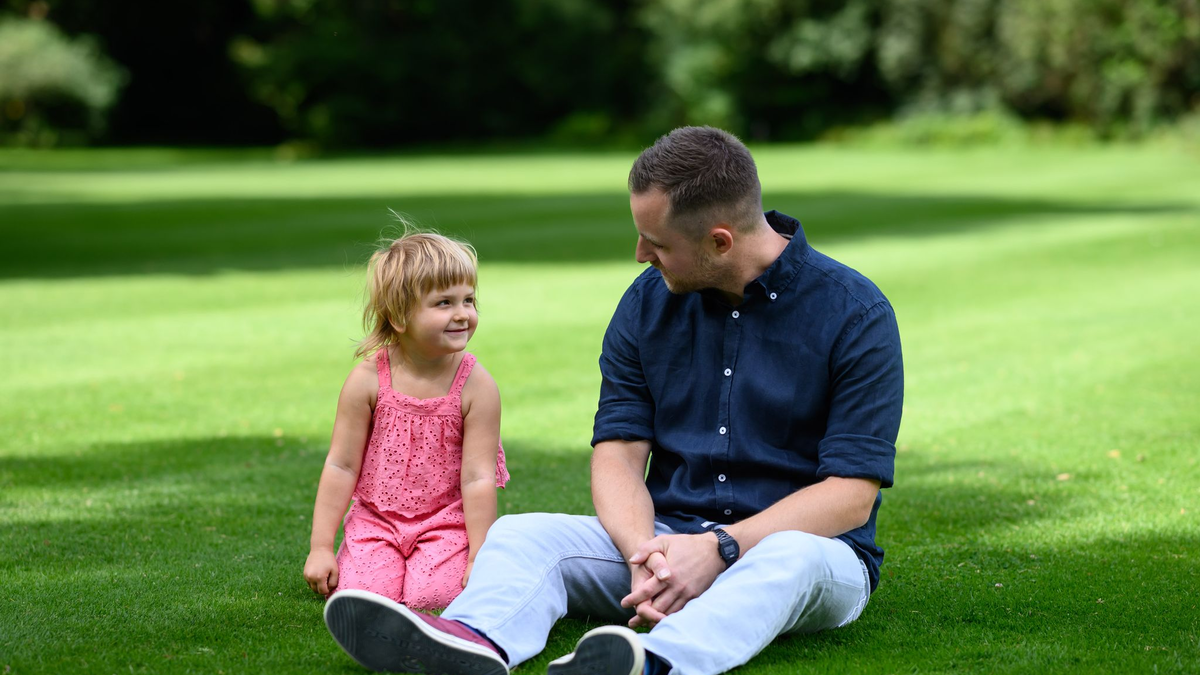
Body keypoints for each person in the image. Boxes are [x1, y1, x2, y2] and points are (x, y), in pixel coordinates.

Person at [321, 126, 903, 675]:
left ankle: (654, 661)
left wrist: (720, 549)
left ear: (719, 241)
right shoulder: (646, 304)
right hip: (664, 540)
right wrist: (642, 553)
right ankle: (472, 641)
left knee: (791, 558)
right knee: (523, 534)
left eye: (656, 243)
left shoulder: (855, 314)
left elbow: (850, 497)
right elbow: (619, 452)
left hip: (808, 556)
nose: (639, 254)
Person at [303, 229, 510, 612]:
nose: (463, 313)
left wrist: (479, 556)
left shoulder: (476, 386)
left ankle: (432, 575)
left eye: (469, 300)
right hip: (376, 521)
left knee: (434, 597)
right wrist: (320, 547)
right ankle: (372, 566)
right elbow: (341, 464)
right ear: (399, 316)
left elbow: (478, 477)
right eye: (444, 303)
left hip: (446, 525)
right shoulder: (368, 380)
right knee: (365, 599)